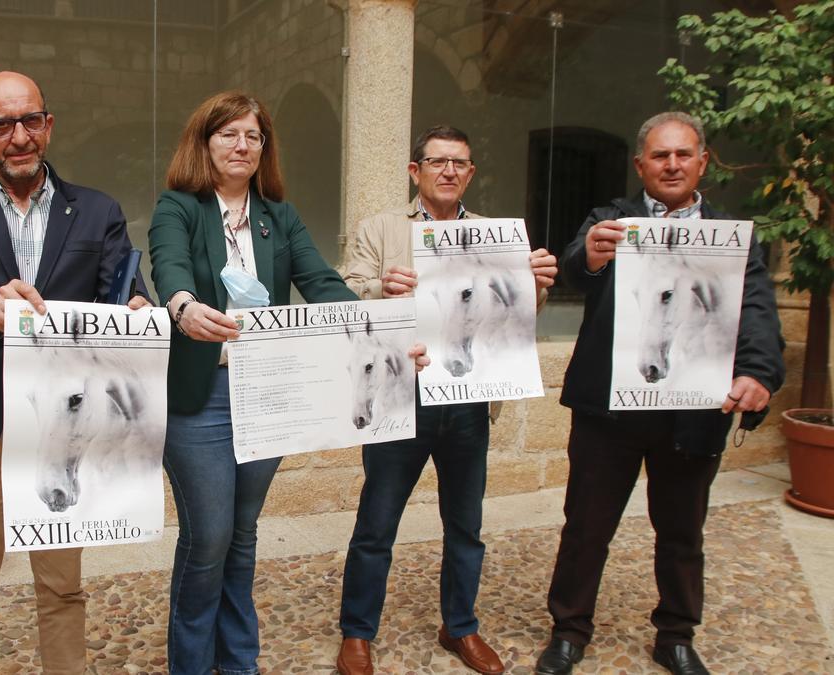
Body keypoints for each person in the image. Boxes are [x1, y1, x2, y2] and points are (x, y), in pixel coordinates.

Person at [149, 90, 430, 675]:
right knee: (209, 536)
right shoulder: (178, 206)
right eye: (229, 134)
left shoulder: (280, 217)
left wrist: (383, 338)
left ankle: (238, 660)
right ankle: (192, 664)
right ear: (204, 142)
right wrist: (182, 305)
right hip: (200, 397)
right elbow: (168, 264)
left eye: (253, 136)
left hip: (267, 392)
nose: (242, 145)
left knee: (242, 532)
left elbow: (324, 285)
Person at [0, 71, 148, 674]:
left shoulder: (97, 211)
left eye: (31, 121)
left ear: (49, 125)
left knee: (63, 586)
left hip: (64, 432)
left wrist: (136, 309)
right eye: (2, 124)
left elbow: (121, 295)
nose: (20, 136)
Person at [533, 111, 784, 675]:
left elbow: (757, 308)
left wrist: (759, 372)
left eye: (683, 154)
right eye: (660, 155)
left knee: (681, 533)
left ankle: (676, 635)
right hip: (609, 415)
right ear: (640, 164)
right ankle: (569, 630)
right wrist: (589, 255)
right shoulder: (609, 221)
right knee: (586, 528)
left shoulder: (731, 237)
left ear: (702, 162)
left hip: (694, 412)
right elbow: (573, 270)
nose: (672, 164)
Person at [336, 125, 558, 675]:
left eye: (459, 163)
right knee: (376, 524)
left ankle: (460, 626)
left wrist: (538, 284)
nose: (449, 171)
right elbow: (346, 288)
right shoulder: (382, 228)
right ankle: (357, 633)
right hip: (400, 395)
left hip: (467, 399)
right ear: (416, 171)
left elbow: (520, 312)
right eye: (438, 162)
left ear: (471, 172)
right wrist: (381, 287)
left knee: (465, 524)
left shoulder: (493, 235)